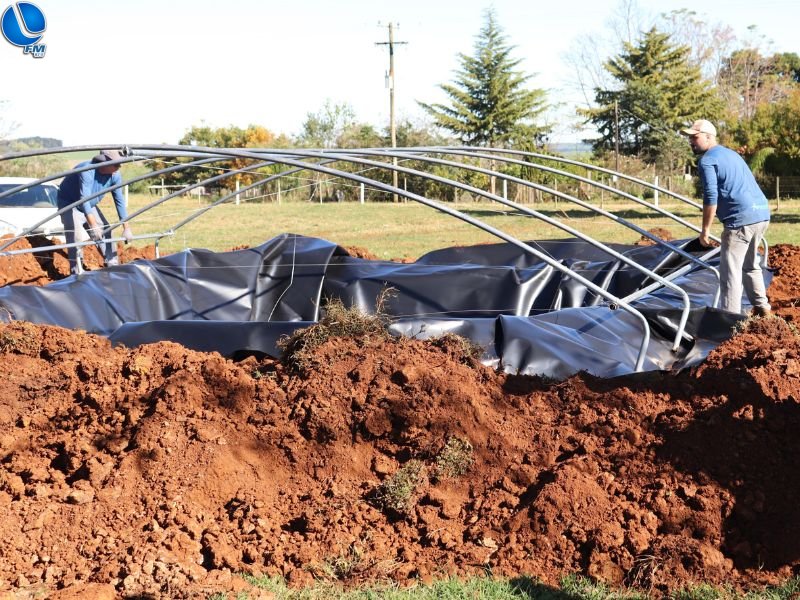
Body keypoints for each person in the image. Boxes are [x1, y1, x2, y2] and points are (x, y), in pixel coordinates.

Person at [682, 119, 771, 317]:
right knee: (750, 265)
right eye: (690, 138)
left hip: (740, 220)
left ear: (708, 137)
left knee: (731, 273)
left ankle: (730, 322)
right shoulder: (730, 154)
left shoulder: (707, 160)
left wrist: (705, 230)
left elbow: (710, 197)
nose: (691, 141)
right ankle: (764, 309)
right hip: (761, 213)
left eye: (694, 137)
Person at [57, 149, 133, 274]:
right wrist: (93, 226)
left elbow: (119, 200)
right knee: (75, 235)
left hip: (89, 203)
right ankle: (76, 271)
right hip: (70, 203)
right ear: (105, 163)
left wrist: (126, 227)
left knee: (106, 230)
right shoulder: (87, 170)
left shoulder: (115, 176)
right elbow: (84, 199)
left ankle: (113, 265)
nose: (119, 167)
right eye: (116, 165)